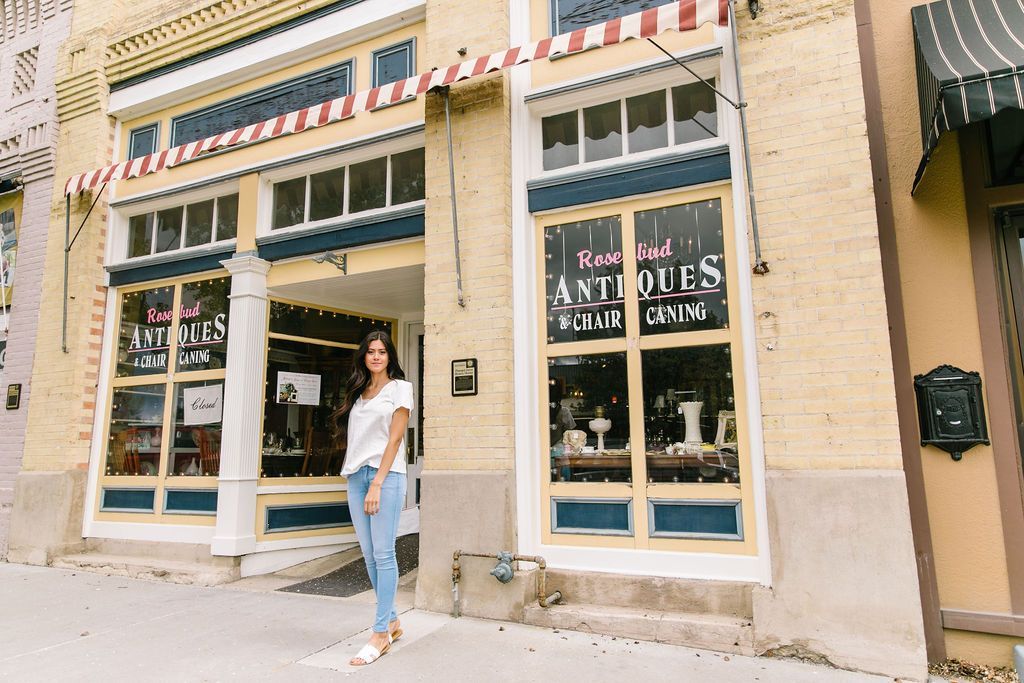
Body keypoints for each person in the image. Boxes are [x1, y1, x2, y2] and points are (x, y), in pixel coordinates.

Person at [331, 330, 413, 666]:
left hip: (387, 476)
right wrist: (359, 477)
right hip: (356, 477)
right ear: (364, 357)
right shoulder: (359, 392)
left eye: (382, 352)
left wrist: (378, 482)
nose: (376, 357)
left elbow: (394, 441)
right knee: (368, 554)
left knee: (384, 552)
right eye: (370, 352)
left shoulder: (400, 389)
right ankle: (392, 621)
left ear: (390, 356)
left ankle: (380, 634)